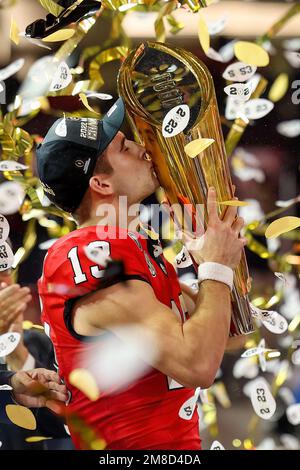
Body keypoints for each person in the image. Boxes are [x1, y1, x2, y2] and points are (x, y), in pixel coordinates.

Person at [36, 97, 247, 450]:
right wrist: (215, 269)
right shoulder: (90, 253)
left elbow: (228, 336)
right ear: (101, 184)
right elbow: (197, 365)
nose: (143, 147)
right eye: (124, 146)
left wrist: (208, 260)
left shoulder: (135, 247)